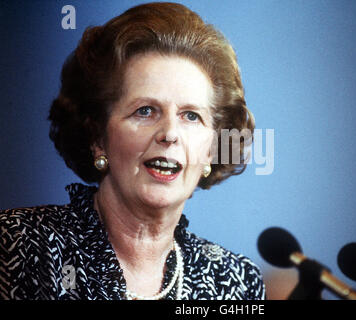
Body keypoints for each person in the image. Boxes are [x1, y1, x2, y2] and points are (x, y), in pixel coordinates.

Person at [0, 2, 265, 300]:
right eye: (145, 111)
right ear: (98, 136)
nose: (170, 134)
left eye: (191, 116)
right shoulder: (18, 245)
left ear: (212, 149)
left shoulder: (235, 283)